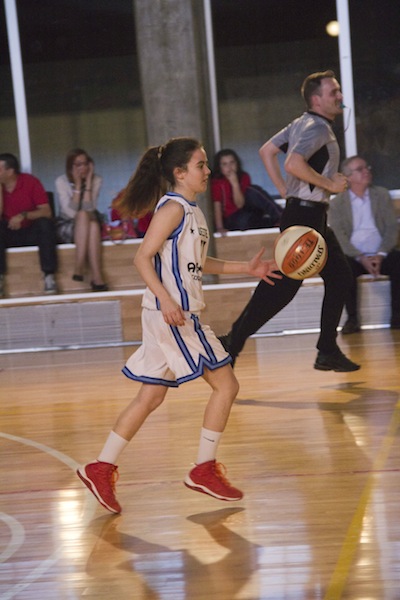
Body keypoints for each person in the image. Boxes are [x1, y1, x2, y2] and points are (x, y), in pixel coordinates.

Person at [76, 137, 281, 513]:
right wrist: (167, 300)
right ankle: (203, 469)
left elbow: (199, 263)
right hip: (173, 315)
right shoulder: (172, 208)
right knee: (226, 385)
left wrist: (246, 269)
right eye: (201, 165)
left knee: (150, 396)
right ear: (180, 173)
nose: (208, 171)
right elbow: (142, 258)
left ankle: (100, 467)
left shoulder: (191, 211)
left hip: (166, 314)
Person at [219, 70, 361, 372]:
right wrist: (330, 184)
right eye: (333, 92)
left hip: (309, 215)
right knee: (281, 289)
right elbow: (293, 163)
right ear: (316, 99)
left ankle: (327, 350)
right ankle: (232, 342)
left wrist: (286, 192)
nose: (339, 96)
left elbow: (267, 151)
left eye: (338, 90)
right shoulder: (317, 128)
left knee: (339, 277)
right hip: (305, 216)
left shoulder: (301, 123)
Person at [329, 155, 400, 332]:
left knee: (399, 262)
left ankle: (397, 317)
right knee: (341, 267)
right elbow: (339, 237)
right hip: (354, 256)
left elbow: (392, 228)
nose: (366, 171)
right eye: (360, 169)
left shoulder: (381, 195)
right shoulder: (337, 203)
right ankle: (352, 320)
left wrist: (381, 254)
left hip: (382, 253)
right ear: (348, 177)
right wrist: (360, 257)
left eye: (366, 167)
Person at [0, 153, 58, 297]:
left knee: (45, 224)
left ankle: (49, 276)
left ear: (10, 171)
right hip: (8, 232)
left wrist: (23, 216)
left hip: (30, 230)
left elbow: (47, 211)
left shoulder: (30, 182)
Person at [55, 148, 108, 291]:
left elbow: (90, 209)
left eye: (85, 163)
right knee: (85, 218)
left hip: (89, 221)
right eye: (78, 164)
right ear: (70, 167)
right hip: (67, 225)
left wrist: (88, 182)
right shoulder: (61, 181)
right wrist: (78, 186)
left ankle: (84, 271)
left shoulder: (96, 179)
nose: (83, 168)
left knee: (91, 222)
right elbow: (71, 213)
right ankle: (94, 275)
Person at [211, 148, 282, 234]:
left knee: (252, 190)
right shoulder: (217, 183)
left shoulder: (244, 176)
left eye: (232, 162)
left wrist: (235, 183)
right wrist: (220, 227)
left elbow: (243, 203)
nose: (229, 167)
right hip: (232, 218)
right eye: (224, 164)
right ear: (219, 167)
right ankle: (275, 222)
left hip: (248, 211)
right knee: (245, 221)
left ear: (237, 163)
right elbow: (218, 206)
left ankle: (281, 217)